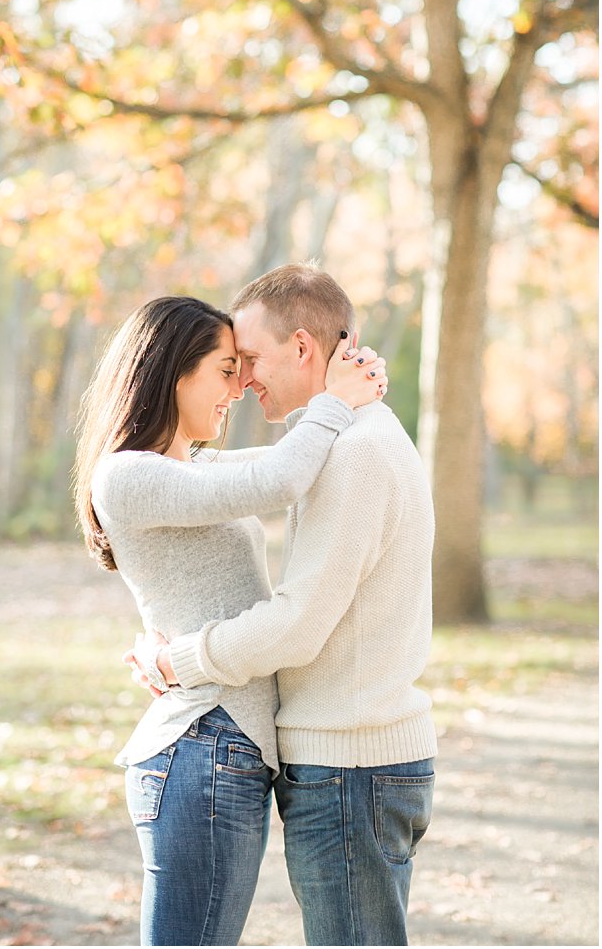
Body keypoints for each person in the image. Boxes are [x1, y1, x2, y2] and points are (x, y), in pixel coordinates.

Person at [135, 264, 437, 946]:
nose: (242, 381)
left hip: (351, 767)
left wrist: (181, 658)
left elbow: (298, 623)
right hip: (355, 761)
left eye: (249, 359)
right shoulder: (348, 439)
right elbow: (233, 474)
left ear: (302, 347)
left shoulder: (356, 452)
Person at [73, 294, 387, 946]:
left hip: (221, 748)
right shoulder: (126, 475)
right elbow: (278, 479)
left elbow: (298, 462)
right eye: (225, 368)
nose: (240, 386)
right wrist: (334, 399)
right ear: (170, 370)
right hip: (202, 745)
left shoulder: (185, 467)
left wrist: (345, 383)